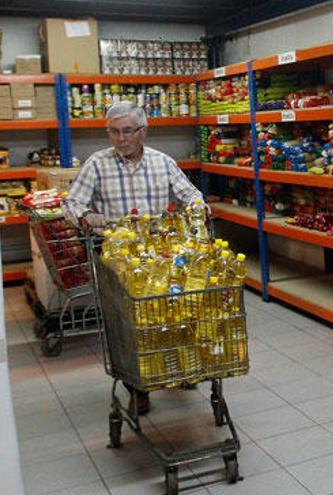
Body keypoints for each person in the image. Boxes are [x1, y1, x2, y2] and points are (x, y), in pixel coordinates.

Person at [65, 101, 205, 415]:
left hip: (162, 258)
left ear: (143, 130)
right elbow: (71, 203)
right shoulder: (97, 164)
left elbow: (190, 194)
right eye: (113, 132)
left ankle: (180, 368)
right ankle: (137, 387)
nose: (120, 138)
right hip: (119, 261)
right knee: (127, 325)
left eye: (127, 131)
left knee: (173, 315)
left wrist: (198, 208)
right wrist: (87, 214)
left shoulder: (162, 162)